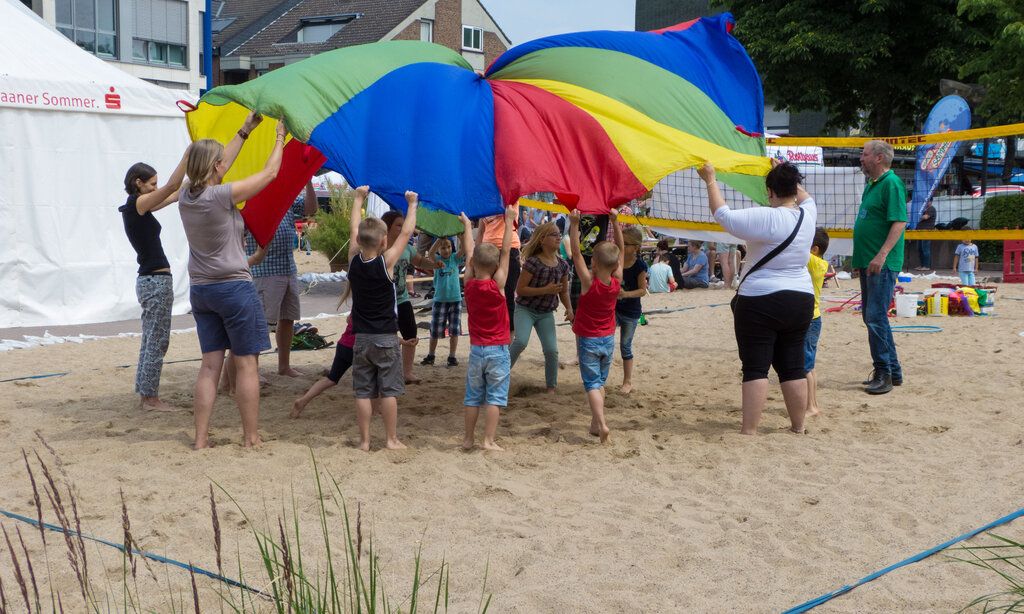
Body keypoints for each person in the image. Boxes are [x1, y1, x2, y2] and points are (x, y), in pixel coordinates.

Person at [178, 112, 285, 449]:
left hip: (201, 291)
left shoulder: (185, 196)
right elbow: (270, 173)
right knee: (246, 363)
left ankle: (200, 439)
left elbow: (220, 163)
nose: (225, 163)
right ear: (215, 167)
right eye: (220, 162)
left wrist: (245, 130)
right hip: (234, 288)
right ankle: (251, 437)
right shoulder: (219, 196)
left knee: (210, 366)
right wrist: (279, 137)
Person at [698, 160, 817, 435]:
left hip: (761, 298)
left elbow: (723, 215)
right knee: (793, 366)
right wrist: (785, 173)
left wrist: (710, 180)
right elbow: (805, 197)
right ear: (795, 188)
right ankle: (798, 427)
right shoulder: (808, 214)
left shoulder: (767, 217)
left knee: (755, 367)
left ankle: (749, 430)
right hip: (801, 298)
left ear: (770, 191)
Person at [347, 187, 418, 451]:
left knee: (363, 391)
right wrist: (412, 205)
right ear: (384, 242)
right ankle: (391, 439)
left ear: (359, 240)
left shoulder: (353, 261)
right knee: (389, 391)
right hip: (386, 338)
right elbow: (407, 234)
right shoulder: (385, 263)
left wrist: (358, 199)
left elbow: (353, 229)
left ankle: (365, 441)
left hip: (361, 339)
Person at [119, 151, 188, 411]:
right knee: (157, 340)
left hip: (152, 280)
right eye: (152, 184)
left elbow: (174, 193)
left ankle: (145, 393)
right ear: (138, 183)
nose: (156, 188)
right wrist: (188, 156)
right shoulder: (137, 204)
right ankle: (150, 398)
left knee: (151, 339)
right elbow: (171, 187)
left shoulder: (138, 206)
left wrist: (198, 177)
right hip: (155, 281)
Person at [243, 181, 318, 377]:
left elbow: (311, 209)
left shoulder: (285, 196)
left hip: (287, 268)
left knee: (287, 319)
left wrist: (308, 181)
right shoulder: (251, 196)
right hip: (263, 270)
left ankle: (284, 366)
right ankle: (251, 371)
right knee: (259, 323)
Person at [853, 140, 906, 395]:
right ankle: (893, 372)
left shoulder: (891, 183)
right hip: (869, 262)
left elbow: (899, 222)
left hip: (881, 264)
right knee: (872, 316)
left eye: (864, 154)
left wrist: (881, 255)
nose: (861, 158)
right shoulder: (872, 185)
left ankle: (883, 373)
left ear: (878, 158)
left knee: (875, 317)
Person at [462, 206, 516, 451]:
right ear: (495, 267)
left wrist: (467, 226)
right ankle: (488, 440)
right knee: (495, 397)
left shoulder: (469, 285)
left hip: (477, 350)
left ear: (473, 264)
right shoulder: (498, 285)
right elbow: (506, 251)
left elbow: (469, 252)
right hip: (498, 349)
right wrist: (509, 221)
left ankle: (468, 439)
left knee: (473, 396)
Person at [568, 208, 624, 443]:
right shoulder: (617, 281)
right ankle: (594, 424)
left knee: (591, 384)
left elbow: (575, 253)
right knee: (600, 382)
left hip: (588, 339)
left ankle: (601, 424)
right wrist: (616, 223)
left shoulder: (588, 282)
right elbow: (621, 251)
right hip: (608, 339)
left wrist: (574, 224)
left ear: (593, 262)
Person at [510, 221, 572, 392]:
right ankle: (499, 374)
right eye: (554, 234)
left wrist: (569, 308)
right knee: (521, 341)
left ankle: (551, 388)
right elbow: (520, 290)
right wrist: (546, 290)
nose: (558, 237)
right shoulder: (533, 262)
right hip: (525, 309)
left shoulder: (563, 265)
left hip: (546, 312)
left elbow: (564, 291)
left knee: (552, 350)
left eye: (559, 234)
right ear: (542, 239)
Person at [380, 210, 438, 384]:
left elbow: (419, 261)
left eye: (403, 224)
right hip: (384, 302)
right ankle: (387, 370)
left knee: (411, 333)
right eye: (399, 225)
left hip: (402, 298)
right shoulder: (380, 248)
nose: (403, 228)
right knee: (386, 337)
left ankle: (407, 372)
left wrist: (435, 264)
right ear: (387, 227)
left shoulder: (406, 247)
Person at [290, 315, 355, 419]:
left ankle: (302, 401)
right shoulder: (378, 308)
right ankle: (375, 410)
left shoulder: (359, 305)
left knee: (331, 378)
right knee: (372, 379)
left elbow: (348, 319)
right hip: (360, 346)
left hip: (344, 345)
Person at [422, 236, 466, 367]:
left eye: (448, 247)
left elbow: (464, 249)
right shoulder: (436, 260)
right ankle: (431, 355)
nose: (446, 250)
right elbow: (430, 253)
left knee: (454, 330)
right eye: (443, 248)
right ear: (439, 250)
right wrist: (439, 240)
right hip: (440, 300)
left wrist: (460, 236)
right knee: (435, 330)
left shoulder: (454, 258)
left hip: (455, 300)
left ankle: (452, 356)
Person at [615, 226, 648, 394]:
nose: (621, 245)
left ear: (635, 247)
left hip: (631, 311)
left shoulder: (640, 265)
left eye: (625, 243)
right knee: (604, 342)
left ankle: (627, 382)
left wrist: (625, 294)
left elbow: (642, 290)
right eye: (620, 241)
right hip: (614, 309)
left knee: (625, 346)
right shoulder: (615, 261)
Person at [480, 204, 521, 332]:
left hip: (509, 247)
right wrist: (475, 255)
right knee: (486, 293)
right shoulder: (485, 199)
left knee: (507, 295)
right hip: (487, 250)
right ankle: (491, 330)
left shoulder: (511, 197)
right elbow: (481, 230)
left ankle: (508, 335)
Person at [805, 228, 831, 418]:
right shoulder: (819, 263)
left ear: (814, 249)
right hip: (813, 319)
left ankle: (811, 407)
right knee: (809, 366)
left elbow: (794, 247)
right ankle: (812, 404)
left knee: (804, 367)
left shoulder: (814, 263)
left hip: (809, 320)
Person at [915, 201, 936, 271]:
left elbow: (925, 217)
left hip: (926, 232)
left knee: (925, 249)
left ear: (931, 201)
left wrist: (918, 217)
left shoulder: (931, 208)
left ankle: (926, 266)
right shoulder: (923, 209)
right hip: (920, 232)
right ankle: (922, 265)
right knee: (920, 249)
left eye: (927, 201)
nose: (926, 202)